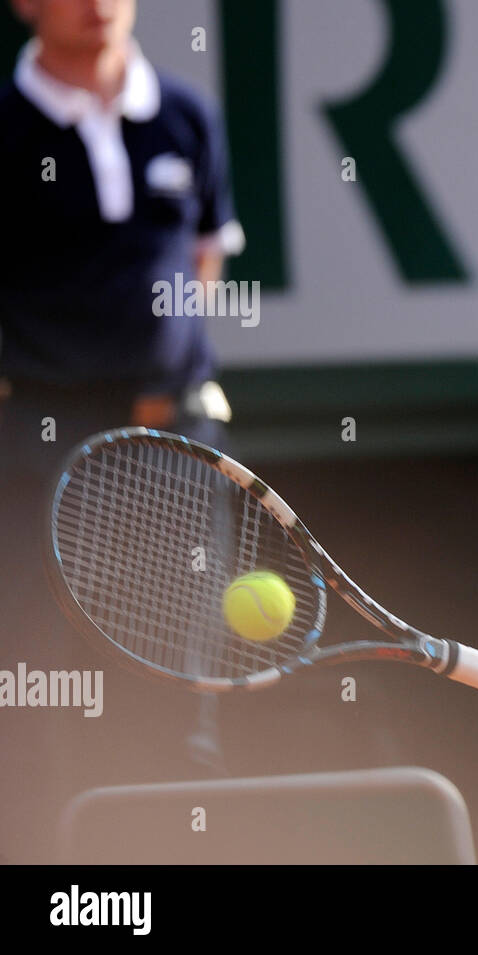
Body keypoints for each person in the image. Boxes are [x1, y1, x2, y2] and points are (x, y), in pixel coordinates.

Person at [0, 0, 243, 861]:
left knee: (177, 687)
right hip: (30, 447)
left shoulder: (185, 115)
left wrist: (161, 376)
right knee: (30, 695)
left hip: (172, 446)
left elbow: (204, 255)